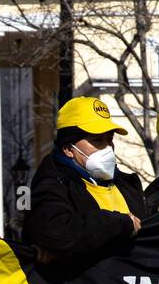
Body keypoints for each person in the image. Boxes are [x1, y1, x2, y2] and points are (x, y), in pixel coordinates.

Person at [23, 96, 145, 261]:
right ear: (68, 149)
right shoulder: (51, 186)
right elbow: (56, 232)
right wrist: (118, 223)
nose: (108, 147)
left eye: (110, 139)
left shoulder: (127, 184)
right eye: (97, 140)